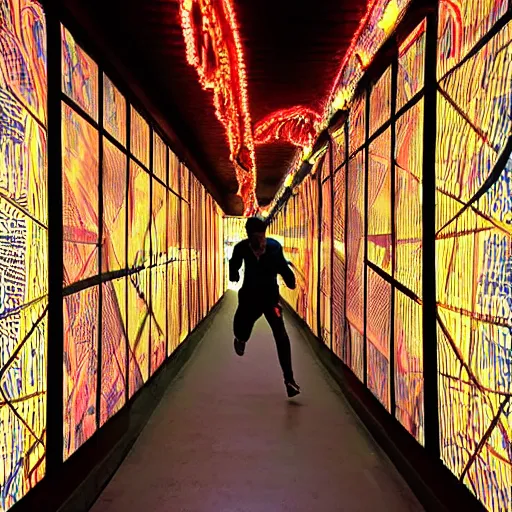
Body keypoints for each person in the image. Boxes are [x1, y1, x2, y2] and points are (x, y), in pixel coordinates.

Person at [229, 216, 301, 398]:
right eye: (256, 239)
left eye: (262, 238)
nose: (261, 243)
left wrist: (290, 280)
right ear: (248, 237)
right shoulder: (241, 249)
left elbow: (283, 266)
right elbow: (234, 264)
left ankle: (289, 380)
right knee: (241, 328)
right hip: (249, 300)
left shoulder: (274, 247)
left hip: (270, 300)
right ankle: (240, 339)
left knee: (281, 336)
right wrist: (234, 275)